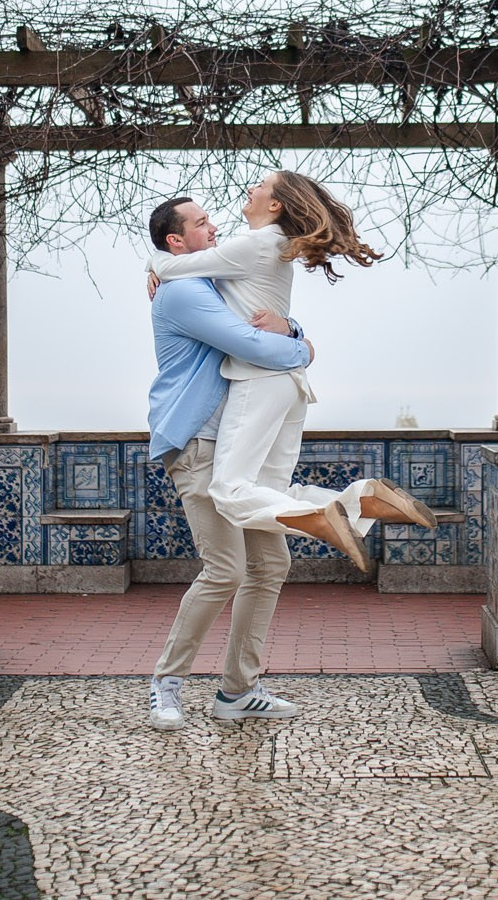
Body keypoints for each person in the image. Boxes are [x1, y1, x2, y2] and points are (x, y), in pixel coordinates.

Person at [146, 172, 437, 572]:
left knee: (229, 491)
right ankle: (362, 500)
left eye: (260, 185)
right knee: (269, 490)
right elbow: (198, 272)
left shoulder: (253, 244)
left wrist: (155, 263)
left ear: (276, 204)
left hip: (260, 378)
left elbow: (179, 266)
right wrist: (297, 337)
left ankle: (329, 517)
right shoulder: (275, 246)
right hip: (290, 387)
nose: (250, 188)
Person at [143, 194, 316, 729]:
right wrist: (305, 349)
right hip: (198, 445)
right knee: (225, 568)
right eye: (200, 223)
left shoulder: (211, 280)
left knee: (271, 564)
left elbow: (263, 317)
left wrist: (291, 327)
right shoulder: (183, 295)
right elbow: (251, 344)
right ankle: (167, 682)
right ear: (176, 241)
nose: (214, 227)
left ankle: (238, 689)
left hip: (236, 450)